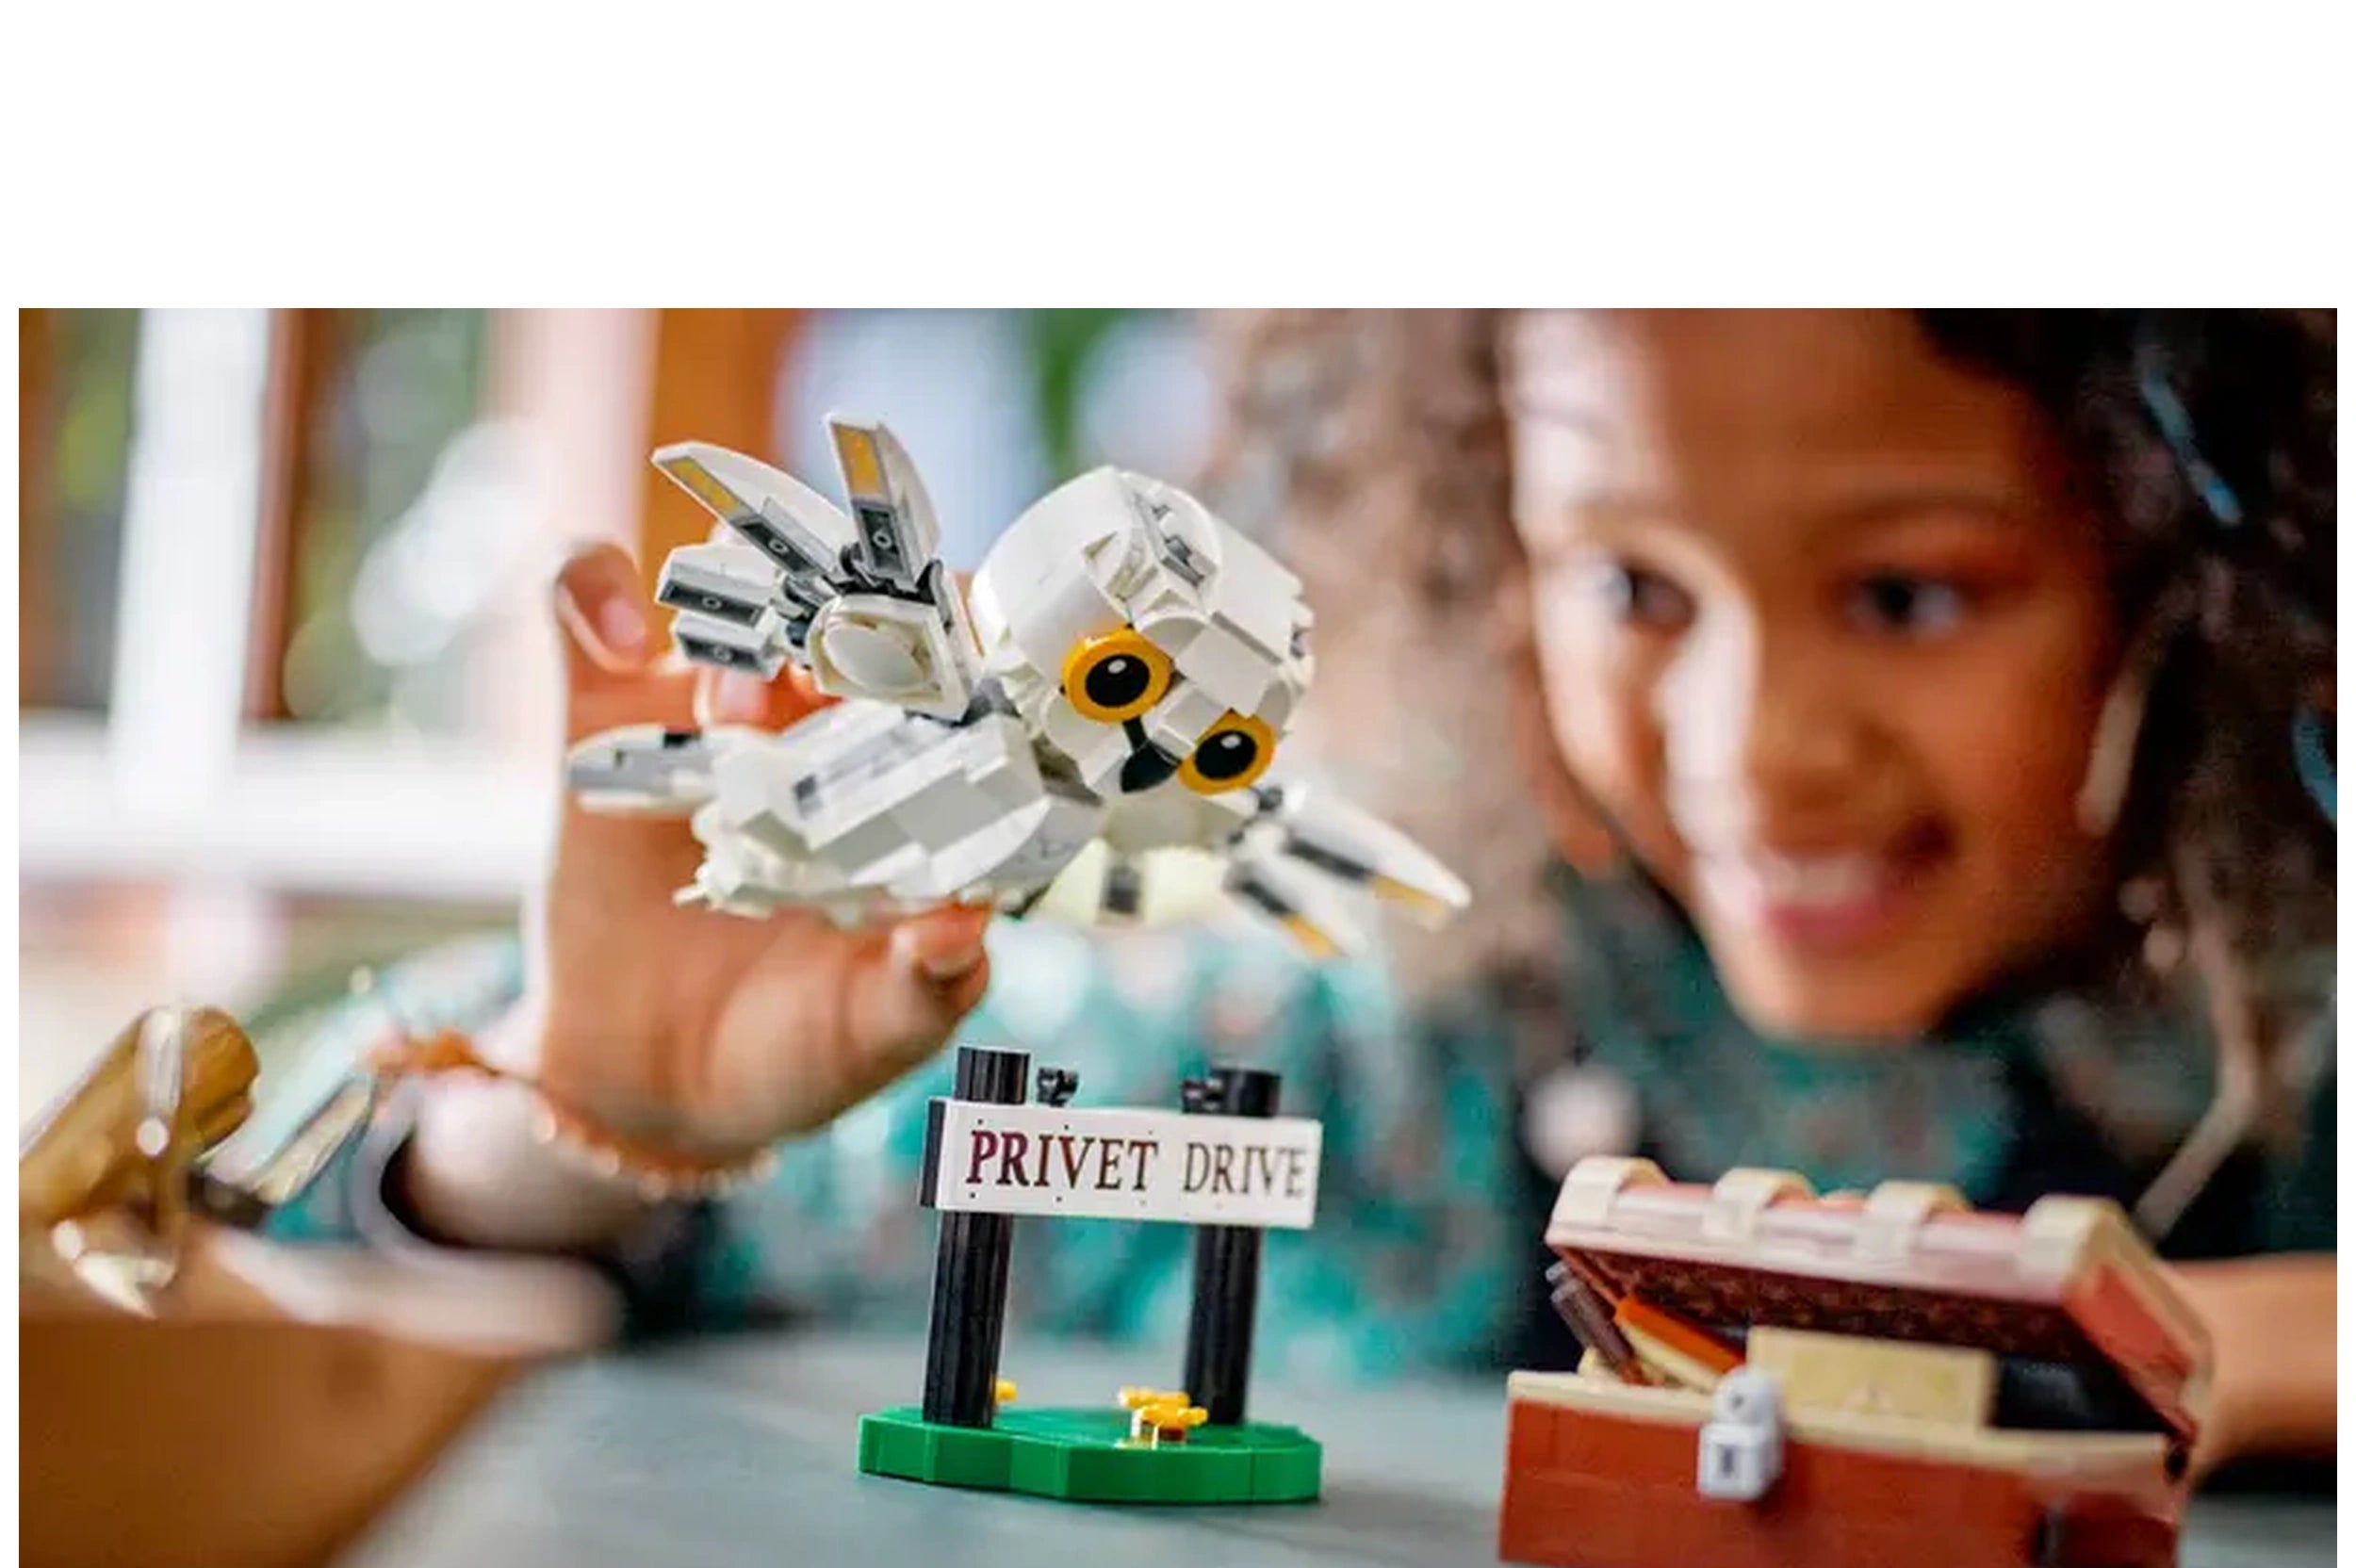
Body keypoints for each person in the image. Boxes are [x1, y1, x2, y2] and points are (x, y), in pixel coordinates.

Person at [268, 309, 2335, 1472]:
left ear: (2222, 558)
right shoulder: (1413, 1046)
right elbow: (272, 1161)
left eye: (1907, 592)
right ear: (1488, 548)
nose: (1751, 743)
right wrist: (588, 1110)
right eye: (1627, 583)